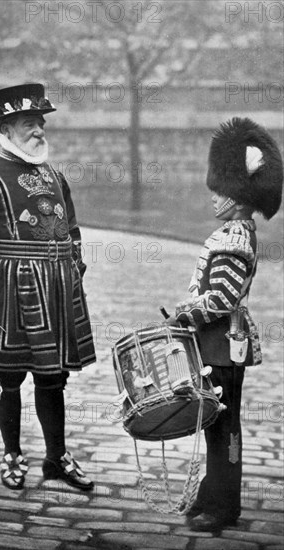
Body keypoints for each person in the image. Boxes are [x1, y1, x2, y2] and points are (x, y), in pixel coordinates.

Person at [0, 83, 96, 491]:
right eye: (31, 124)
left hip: (55, 290)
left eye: (42, 124)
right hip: (9, 290)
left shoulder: (54, 176)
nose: (40, 132)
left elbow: (71, 228)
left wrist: (73, 270)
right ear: (8, 128)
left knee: (53, 377)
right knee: (8, 375)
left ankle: (57, 457)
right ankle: (13, 453)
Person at [166, 118, 283, 532]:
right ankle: (212, 492)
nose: (214, 197)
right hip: (214, 341)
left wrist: (186, 314)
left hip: (223, 341)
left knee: (224, 425)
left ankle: (224, 506)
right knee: (214, 421)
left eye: (220, 190)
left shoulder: (234, 237)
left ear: (237, 195)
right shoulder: (232, 231)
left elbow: (221, 299)